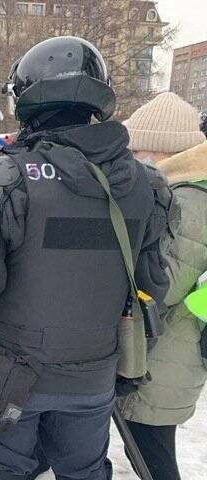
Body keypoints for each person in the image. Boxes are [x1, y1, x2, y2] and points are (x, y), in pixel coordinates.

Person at [0, 36, 172, 480]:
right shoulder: (148, 184)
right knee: (84, 471)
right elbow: (152, 285)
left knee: (3, 470)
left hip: (11, 375)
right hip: (93, 375)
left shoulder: (0, 177)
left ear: (25, 99)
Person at [119, 92, 207, 480]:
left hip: (166, 357)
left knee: (150, 453)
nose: (132, 156)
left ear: (162, 150)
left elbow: (164, 285)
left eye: (138, 148)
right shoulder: (179, 191)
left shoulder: (190, 201)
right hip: (165, 350)